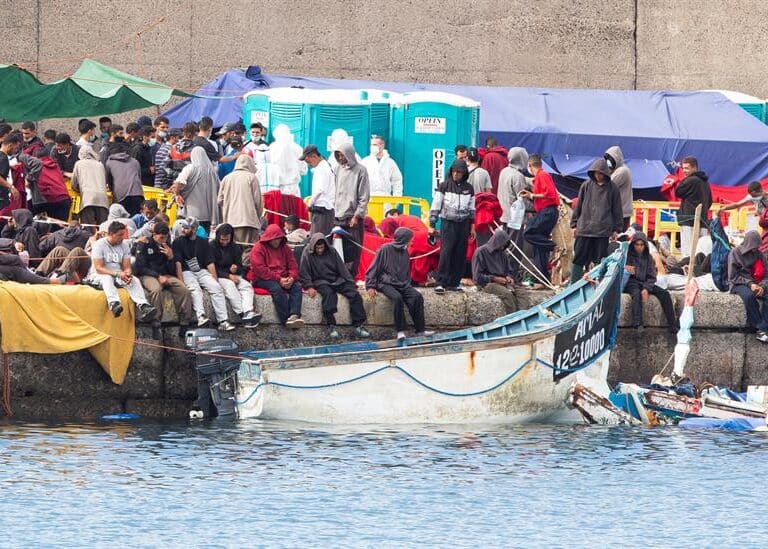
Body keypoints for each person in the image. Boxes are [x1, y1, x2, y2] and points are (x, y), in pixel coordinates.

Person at [299, 232, 370, 339]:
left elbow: (342, 268)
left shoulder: (332, 251)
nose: (319, 250)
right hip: (320, 281)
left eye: (321, 248)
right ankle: (331, 325)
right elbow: (304, 271)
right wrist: (309, 286)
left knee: (354, 294)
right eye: (317, 248)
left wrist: (350, 282)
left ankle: (358, 324)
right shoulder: (307, 252)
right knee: (329, 294)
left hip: (336, 280)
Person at [365, 227, 432, 340]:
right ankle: (401, 330)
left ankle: (420, 329)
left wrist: (407, 285)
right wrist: (370, 285)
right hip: (385, 283)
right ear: (404, 239)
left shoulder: (405, 251)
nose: (412, 241)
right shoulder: (385, 249)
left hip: (402, 283)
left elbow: (405, 272)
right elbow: (374, 268)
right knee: (397, 298)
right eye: (411, 239)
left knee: (417, 296)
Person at [172, 217, 232, 330]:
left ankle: (223, 321)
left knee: (216, 288)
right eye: (183, 227)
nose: (183, 230)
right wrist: (181, 282)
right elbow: (178, 263)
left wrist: (216, 280)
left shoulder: (203, 242)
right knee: (194, 288)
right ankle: (201, 316)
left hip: (201, 271)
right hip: (186, 271)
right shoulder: (177, 242)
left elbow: (210, 263)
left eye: (186, 228)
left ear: (194, 229)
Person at [89, 221, 156, 320]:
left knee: (134, 280)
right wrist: (117, 274)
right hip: (99, 275)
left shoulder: (124, 245)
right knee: (107, 279)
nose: (122, 237)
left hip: (118, 275)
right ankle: (114, 304)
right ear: (111, 234)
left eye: (123, 235)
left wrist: (128, 272)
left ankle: (144, 305)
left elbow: (127, 266)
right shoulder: (99, 245)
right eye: (120, 235)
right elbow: (99, 268)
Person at [569, 158, 623, 281]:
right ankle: (573, 283)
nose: (598, 176)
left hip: (602, 231)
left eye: (600, 173)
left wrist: (616, 229)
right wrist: (574, 225)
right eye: (596, 173)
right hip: (584, 229)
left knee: (600, 259)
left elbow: (617, 210)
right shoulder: (586, 186)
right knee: (578, 258)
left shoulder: (613, 189)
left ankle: (597, 282)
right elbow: (579, 206)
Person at [134, 221, 193, 332]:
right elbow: (140, 267)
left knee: (184, 290)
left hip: (165, 274)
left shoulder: (167, 245)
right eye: (161, 238)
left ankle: (184, 322)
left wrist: (170, 258)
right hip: (148, 274)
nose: (163, 240)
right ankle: (156, 321)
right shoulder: (144, 244)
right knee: (156, 290)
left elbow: (171, 269)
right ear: (154, 235)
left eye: (166, 238)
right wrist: (157, 276)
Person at [429, 159, 475, 294]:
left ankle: (454, 282)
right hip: (448, 223)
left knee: (460, 253)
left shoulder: (469, 189)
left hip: (464, 224)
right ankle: (441, 282)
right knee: (446, 252)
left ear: (464, 173)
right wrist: (432, 224)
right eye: (454, 171)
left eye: (459, 172)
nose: (456, 174)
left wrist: (472, 227)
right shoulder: (444, 186)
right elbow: (435, 206)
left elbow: (472, 209)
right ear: (451, 172)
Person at [249, 224, 304, 328]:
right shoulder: (258, 248)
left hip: (283, 277)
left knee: (297, 287)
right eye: (274, 239)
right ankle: (286, 319)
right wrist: (279, 279)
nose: (276, 242)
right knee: (276, 288)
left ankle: (294, 315)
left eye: (278, 239)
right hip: (262, 278)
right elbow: (260, 270)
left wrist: (291, 278)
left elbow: (293, 266)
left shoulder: (285, 248)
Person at [624, 231, 678, 333]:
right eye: (637, 244)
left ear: (645, 245)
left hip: (645, 281)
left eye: (641, 245)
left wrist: (646, 288)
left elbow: (652, 276)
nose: (639, 247)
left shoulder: (648, 258)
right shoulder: (627, 256)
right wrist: (626, 268)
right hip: (632, 282)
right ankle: (637, 323)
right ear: (633, 244)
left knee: (665, 294)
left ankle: (672, 325)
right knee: (636, 294)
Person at [519, 154, 560, 287]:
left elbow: (550, 194)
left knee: (528, 232)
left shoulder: (543, 175)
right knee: (539, 248)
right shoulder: (539, 178)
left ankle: (553, 246)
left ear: (530, 165)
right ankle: (542, 280)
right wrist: (530, 196)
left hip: (548, 211)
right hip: (545, 210)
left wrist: (532, 195)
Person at [211, 223, 261, 328]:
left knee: (246, 286)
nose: (224, 242)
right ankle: (242, 313)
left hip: (233, 275)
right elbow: (212, 268)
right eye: (222, 239)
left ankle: (248, 311)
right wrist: (228, 276)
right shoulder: (212, 246)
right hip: (218, 275)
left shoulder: (235, 247)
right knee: (230, 286)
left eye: (227, 239)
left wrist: (235, 268)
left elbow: (240, 266)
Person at [334, 142, 370, 277]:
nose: (341, 157)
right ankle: (339, 275)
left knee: (353, 249)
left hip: (352, 218)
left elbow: (364, 196)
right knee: (338, 247)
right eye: (338, 155)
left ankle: (350, 277)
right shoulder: (338, 169)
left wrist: (357, 215)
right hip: (338, 216)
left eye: (342, 155)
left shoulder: (361, 170)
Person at [728, 231, 768, 342]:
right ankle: (758, 327)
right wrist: (750, 284)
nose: (756, 249)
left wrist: (763, 286)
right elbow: (733, 276)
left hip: (757, 283)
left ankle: (762, 327)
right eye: (754, 247)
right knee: (749, 297)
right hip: (739, 283)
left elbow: (766, 275)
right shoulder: (735, 253)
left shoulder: (759, 255)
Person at [172, 147, 220, 234]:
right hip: (208, 214)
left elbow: (179, 182)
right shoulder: (212, 171)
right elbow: (218, 188)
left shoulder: (190, 168)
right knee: (204, 236)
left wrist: (177, 194)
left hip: (192, 212)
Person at [217, 154, 263, 244]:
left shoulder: (227, 178)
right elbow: (258, 202)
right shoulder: (252, 177)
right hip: (249, 221)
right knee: (248, 249)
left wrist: (229, 207)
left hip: (230, 222)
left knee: (235, 250)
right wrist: (257, 217)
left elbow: (219, 200)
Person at [471, 229, 518, 313]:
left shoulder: (502, 254)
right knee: (507, 295)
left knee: (522, 294)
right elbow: (477, 277)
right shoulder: (480, 252)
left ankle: (524, 317)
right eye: (502, 244)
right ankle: (513, 319)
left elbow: (509, 270)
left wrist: (509, 277)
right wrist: (494, 278)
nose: (503, 247)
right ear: (497, 242)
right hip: (487, 284)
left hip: (503, 282)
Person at [675, 156, 712, 256]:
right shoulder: (705, 183)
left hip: (688, 221)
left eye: (687, 168)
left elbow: (678, 192)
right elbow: (710, 201)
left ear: (694, 168)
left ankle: (687, 270)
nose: (684, 171)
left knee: (688, 252)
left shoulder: (690, 180)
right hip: (703, 221)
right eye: (683, 168)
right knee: (701, 252)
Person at [71, 144, 110, 226]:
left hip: (87, 199)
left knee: (88, 228)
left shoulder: (79, 164)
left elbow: (74, 183)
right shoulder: (100, 165)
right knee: (103, 228)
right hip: (103, 199)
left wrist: (79, 190)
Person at [301, 144, 335, 236]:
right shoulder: (326, 165)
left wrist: (309, 203)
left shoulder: (321, 169)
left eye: (309, 162)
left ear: (314, 156)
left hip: (322, 210)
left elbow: (319, 190)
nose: (309, 165)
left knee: (317, 239)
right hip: (327, 209)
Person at [105, 144, 144, 216]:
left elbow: (108, 180)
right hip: (137, 194)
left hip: (120, 195)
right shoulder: (135, 161)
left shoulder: (109, 162)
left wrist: (111, 190)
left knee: (120, 220)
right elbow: (139, 178)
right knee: (134, 220)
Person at [497, 147, 530, 232]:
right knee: (515, 244)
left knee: (506, 242)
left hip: (504, 214)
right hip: (515, 218)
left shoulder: (504, 171)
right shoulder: (518, 176)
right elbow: (522, 198)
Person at [268, 124, 306, 197]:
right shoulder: (297, 148)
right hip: (293, 188)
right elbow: (303, 170)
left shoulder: (272, 147)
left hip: (277, 188)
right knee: (294, 207)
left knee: (278, 208)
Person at [604, 146, 633, 229]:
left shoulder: (622, 171)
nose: (607, 163)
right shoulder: (616, 171)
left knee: (618, 238)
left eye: (609, 160)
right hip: (618, 212)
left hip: (621, 213)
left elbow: (607, 185)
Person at [0, 134, 22, 210]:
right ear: (10, 145)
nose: (15, 151)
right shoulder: (3, 158)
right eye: (15, 148)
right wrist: (11, 187)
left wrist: (10, 167)